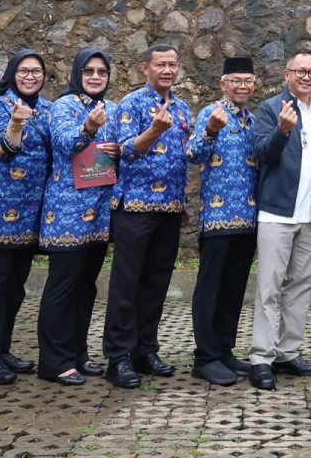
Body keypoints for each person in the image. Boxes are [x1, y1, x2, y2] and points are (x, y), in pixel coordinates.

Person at [103, 43, 192, 389]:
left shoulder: (182, 107)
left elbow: (180, 161)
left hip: (169, 208)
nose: (167, 70)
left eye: (172, 64)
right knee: (126, 284)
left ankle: (145, 349)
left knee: (156, 283)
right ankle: (119, 357)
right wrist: (154, 130)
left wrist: (181, 201)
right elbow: (123, 149)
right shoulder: (131, 104)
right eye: (160, 65)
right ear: (145, 68)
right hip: (135, 208)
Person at [249, 50, 311, 391]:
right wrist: (282, 131)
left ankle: (287, 352)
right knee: (269, 288)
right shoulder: (271, 109)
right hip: (277, 213)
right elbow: (262, 155)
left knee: (301, 286)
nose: (306, 77)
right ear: (287, 75)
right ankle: (261, 358)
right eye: (300, 71)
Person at [0, 50, 51, 385]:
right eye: (23, 71)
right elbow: (1, 151)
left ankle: (1, 349)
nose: (30, 77)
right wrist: (15, 124)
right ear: (12, 74)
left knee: (14, 286)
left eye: (36, 71)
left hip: (30, 210)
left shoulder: (48, 110)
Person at [36, 49, 119, 386]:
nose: (96, 77)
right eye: (88, 71)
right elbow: (64, 144)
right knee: (63, 286)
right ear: (76, 74)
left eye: (102, 72)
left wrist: (118, 149)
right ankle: (53, 361)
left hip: (99, 210)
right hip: (67, 209)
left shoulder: (112, 108)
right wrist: (88, 127)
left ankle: (77, 353)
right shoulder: (64, 106)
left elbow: (123, 148)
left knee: (86, 286)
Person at [186, 57, 259, 387]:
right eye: (236, 80)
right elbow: (193, 154)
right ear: (223, 84)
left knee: (233, 289)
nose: (242, 86)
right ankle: (205, 357)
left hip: (248, 218)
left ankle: (225, 349)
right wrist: (212, 130)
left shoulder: (254, 121)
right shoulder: (210, 113)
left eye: (248, 81)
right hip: (216, 220)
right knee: (210, 289)